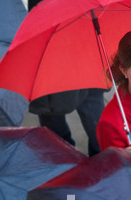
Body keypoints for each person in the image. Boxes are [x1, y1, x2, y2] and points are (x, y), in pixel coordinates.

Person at [28, 0, 105, 157]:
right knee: (55, 101)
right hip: (54, 30)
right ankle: (66, 156)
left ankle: (66, 157)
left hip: (72, 28)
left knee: (85, 100)